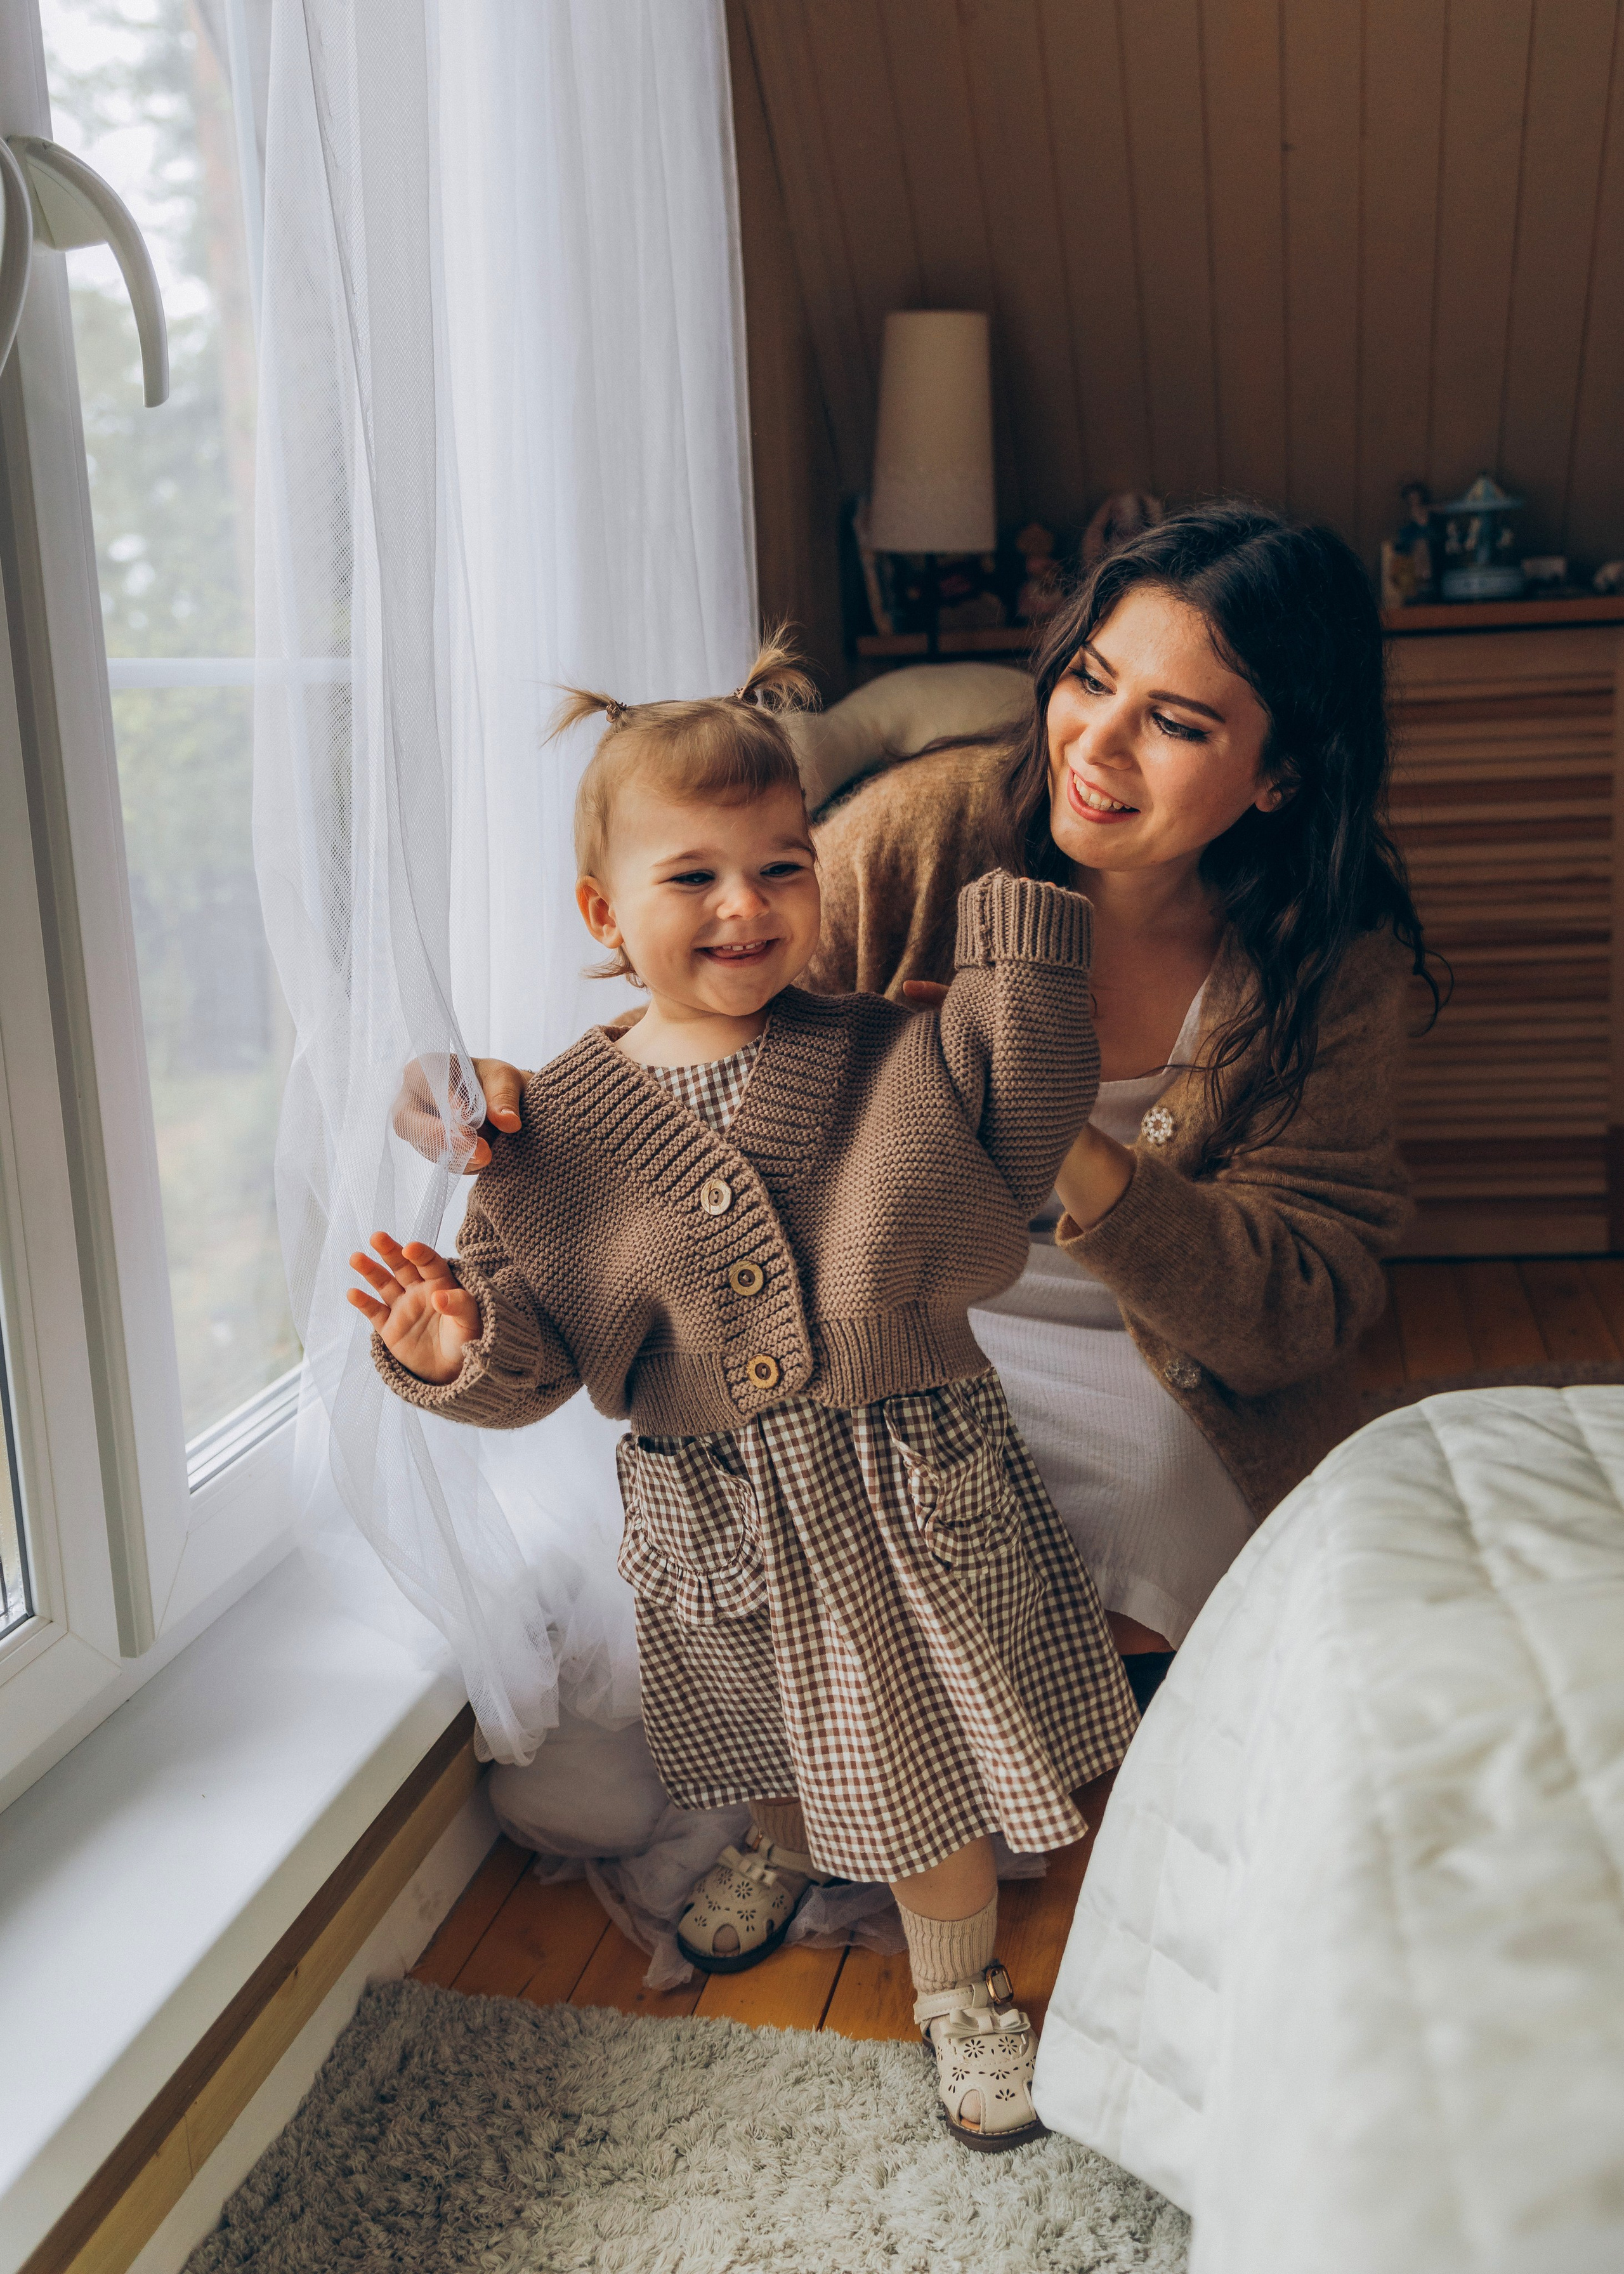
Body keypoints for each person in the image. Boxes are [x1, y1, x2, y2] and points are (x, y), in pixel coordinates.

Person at [352, 638, 1138, 2152]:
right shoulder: (549, 1128)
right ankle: (777, 1850)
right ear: (601, 912)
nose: (745, 907)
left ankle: (959, 1989)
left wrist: (1030, 928)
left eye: (781, 869)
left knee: (915, 1748)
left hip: (905, 1480)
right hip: (713, 1501)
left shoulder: (883, 1053)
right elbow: (529, 1349)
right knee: (770, 1722)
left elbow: (1022, 1130)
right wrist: (451, 1347)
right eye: (692, 877)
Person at [464, 503, 1431, 1707]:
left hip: (1162, 1366)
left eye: (1176, 724)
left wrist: (1050, 1128)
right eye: (1091, 680)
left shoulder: (1331, 967)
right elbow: (707, 1015)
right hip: (886, 1313)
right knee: (824, 1521)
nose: (1099, 744)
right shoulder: (926, 830)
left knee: (1147, 1520)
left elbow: (1294, 1313)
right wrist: (543, 1105)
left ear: (1282, 774)